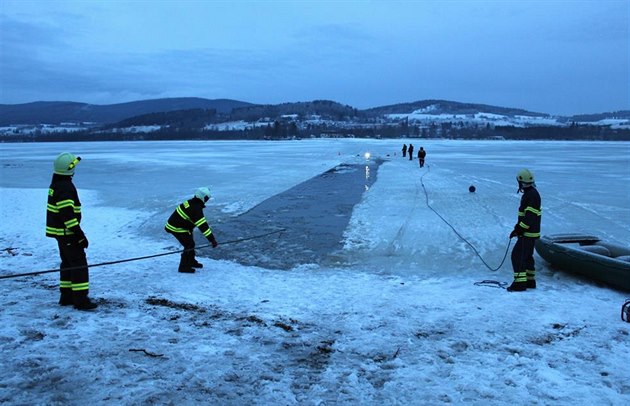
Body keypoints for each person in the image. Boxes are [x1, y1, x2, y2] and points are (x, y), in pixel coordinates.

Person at [46, 152, 97, 310]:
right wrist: (79, 235)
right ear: (69, 169)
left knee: (68, 263)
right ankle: (81, 300)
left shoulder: (57, 183)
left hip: (61, 234)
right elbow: (67, 215)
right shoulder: (65, 187)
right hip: (67, 233)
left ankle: (67, 296)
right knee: (78, 265)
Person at [165, 187, 219, 273]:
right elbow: (204, 227)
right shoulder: (196, 209)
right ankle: (183, 267)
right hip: (176, 228)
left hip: (181, 226)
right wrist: (212, 240)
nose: (207, 200)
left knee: (190, 244)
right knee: (189, 245)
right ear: (203, 198)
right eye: (207, 198)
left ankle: (191, 261)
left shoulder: (192, 202)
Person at [508, 169, 542, 292]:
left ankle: (520, 284)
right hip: (530, 232)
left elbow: (529, 217)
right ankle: (530, 281)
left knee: (517, 256)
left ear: (521, 181)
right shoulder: (531, 193)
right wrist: (517, 229)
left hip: (528, 233)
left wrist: (519, 229)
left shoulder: (531, 195)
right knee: (527, 256)